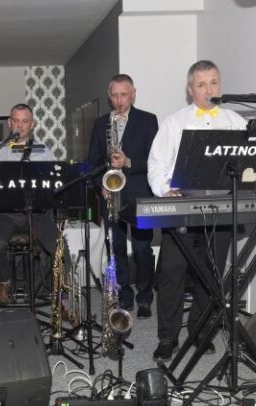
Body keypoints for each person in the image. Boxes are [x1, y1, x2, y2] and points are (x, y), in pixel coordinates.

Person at [147, 60, 247, 362]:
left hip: (221, 210)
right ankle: (168, 337)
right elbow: (157, 164)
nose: (208, 89)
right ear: (191, 89)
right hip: (183, 209)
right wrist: (165, 189)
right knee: (171, 274)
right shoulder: (174, 122)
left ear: (220, 85)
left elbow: (249, 164)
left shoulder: (235, 121)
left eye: (213, 82)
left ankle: (200, 332)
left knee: (211, 274)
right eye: (201, 84)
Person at [87, 74, 158, 319]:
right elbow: (93, 162)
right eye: (115, 95)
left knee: (142, 249)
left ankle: (145, 297)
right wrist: (101, 184)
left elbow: (155, 161)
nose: (119, 100)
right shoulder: (101, 124)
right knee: (116, 250)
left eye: (124, 95)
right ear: (109, 96)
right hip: (111, 196)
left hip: (139, 195)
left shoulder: (148, 120)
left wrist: (128, 162)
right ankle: (125, 295)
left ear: (133, 94)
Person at [0, 103, 56, 306]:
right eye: (16, 120)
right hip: (5, 214)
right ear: (9, 123)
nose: (20, 125)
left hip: (36, 213)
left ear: (32, 124)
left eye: (25, 121)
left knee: (59, 248)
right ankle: (5, 282)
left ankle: (59, 291)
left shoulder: (44, 152)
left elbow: (55, 182)